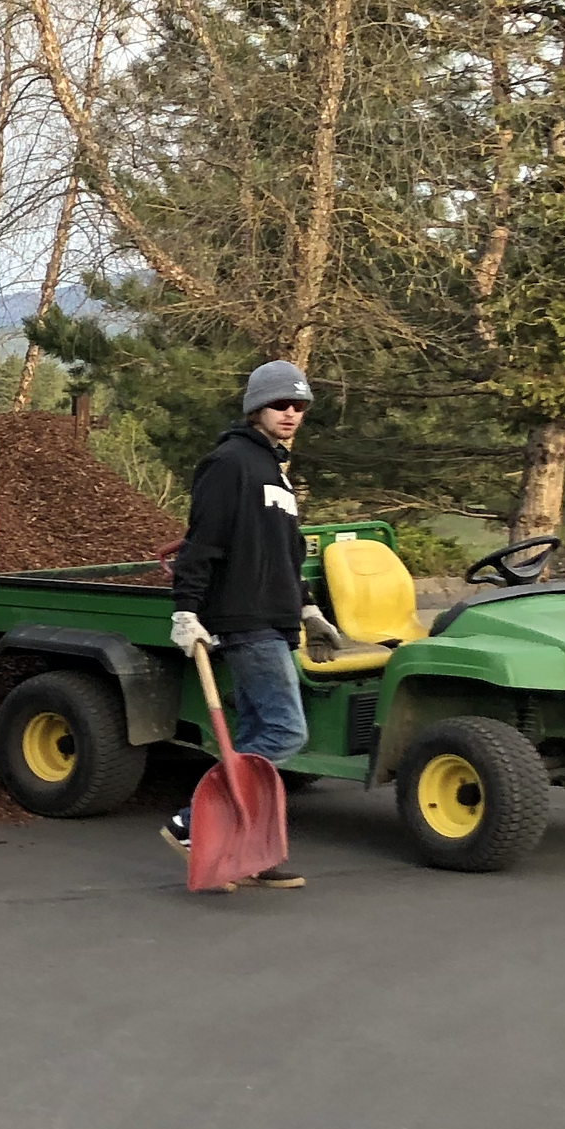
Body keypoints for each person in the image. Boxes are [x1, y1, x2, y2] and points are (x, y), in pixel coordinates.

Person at [161, 359, 313, 890]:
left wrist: (308, 604)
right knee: (286, 730)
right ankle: (190, 822)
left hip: (275, 617)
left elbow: (287, 551)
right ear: (255, 408)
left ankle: (245, 852)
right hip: (245, 619)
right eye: (280, 403)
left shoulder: (276, 471)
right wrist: (186, 609)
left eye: (298, 405)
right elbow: (201, 544)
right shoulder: (229, 463)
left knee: (252, 736)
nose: (290, 412)